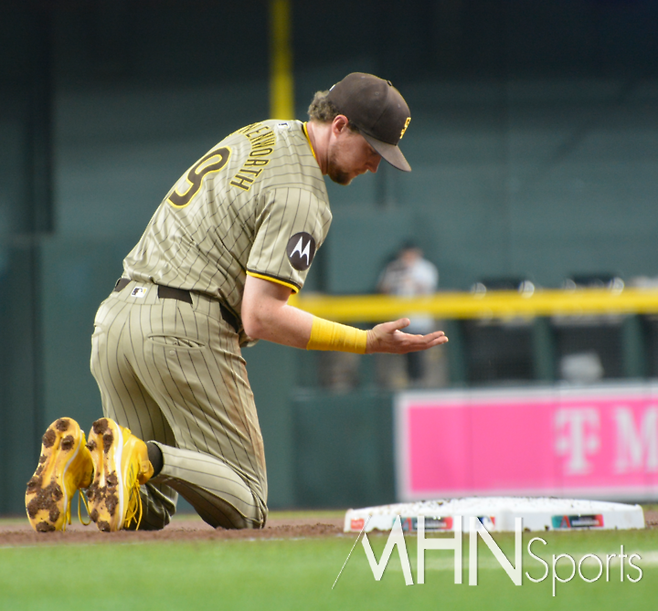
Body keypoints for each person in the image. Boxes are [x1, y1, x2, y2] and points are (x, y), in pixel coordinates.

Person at [25, 72, 448, 533]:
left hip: (116, 319)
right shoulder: (303, 194)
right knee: (248, 503)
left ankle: (83, 465)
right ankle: (135, 454)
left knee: (143, 507)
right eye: (373, 150)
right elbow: (261, 316)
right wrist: (365, 341)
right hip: (181, 330)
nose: (374, 166)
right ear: (340, 126)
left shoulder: (263, 133)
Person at [378, 242, 439, 384]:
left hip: (420, 321)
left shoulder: (425, 268)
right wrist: (397, 280)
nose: (408, 256)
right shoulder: (394, 267)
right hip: (397, 321)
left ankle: (419, 385)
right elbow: (383, 289)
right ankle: (399, 385)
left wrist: (411, 280)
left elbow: (427, 290)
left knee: (419, 358)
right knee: (396, 360)